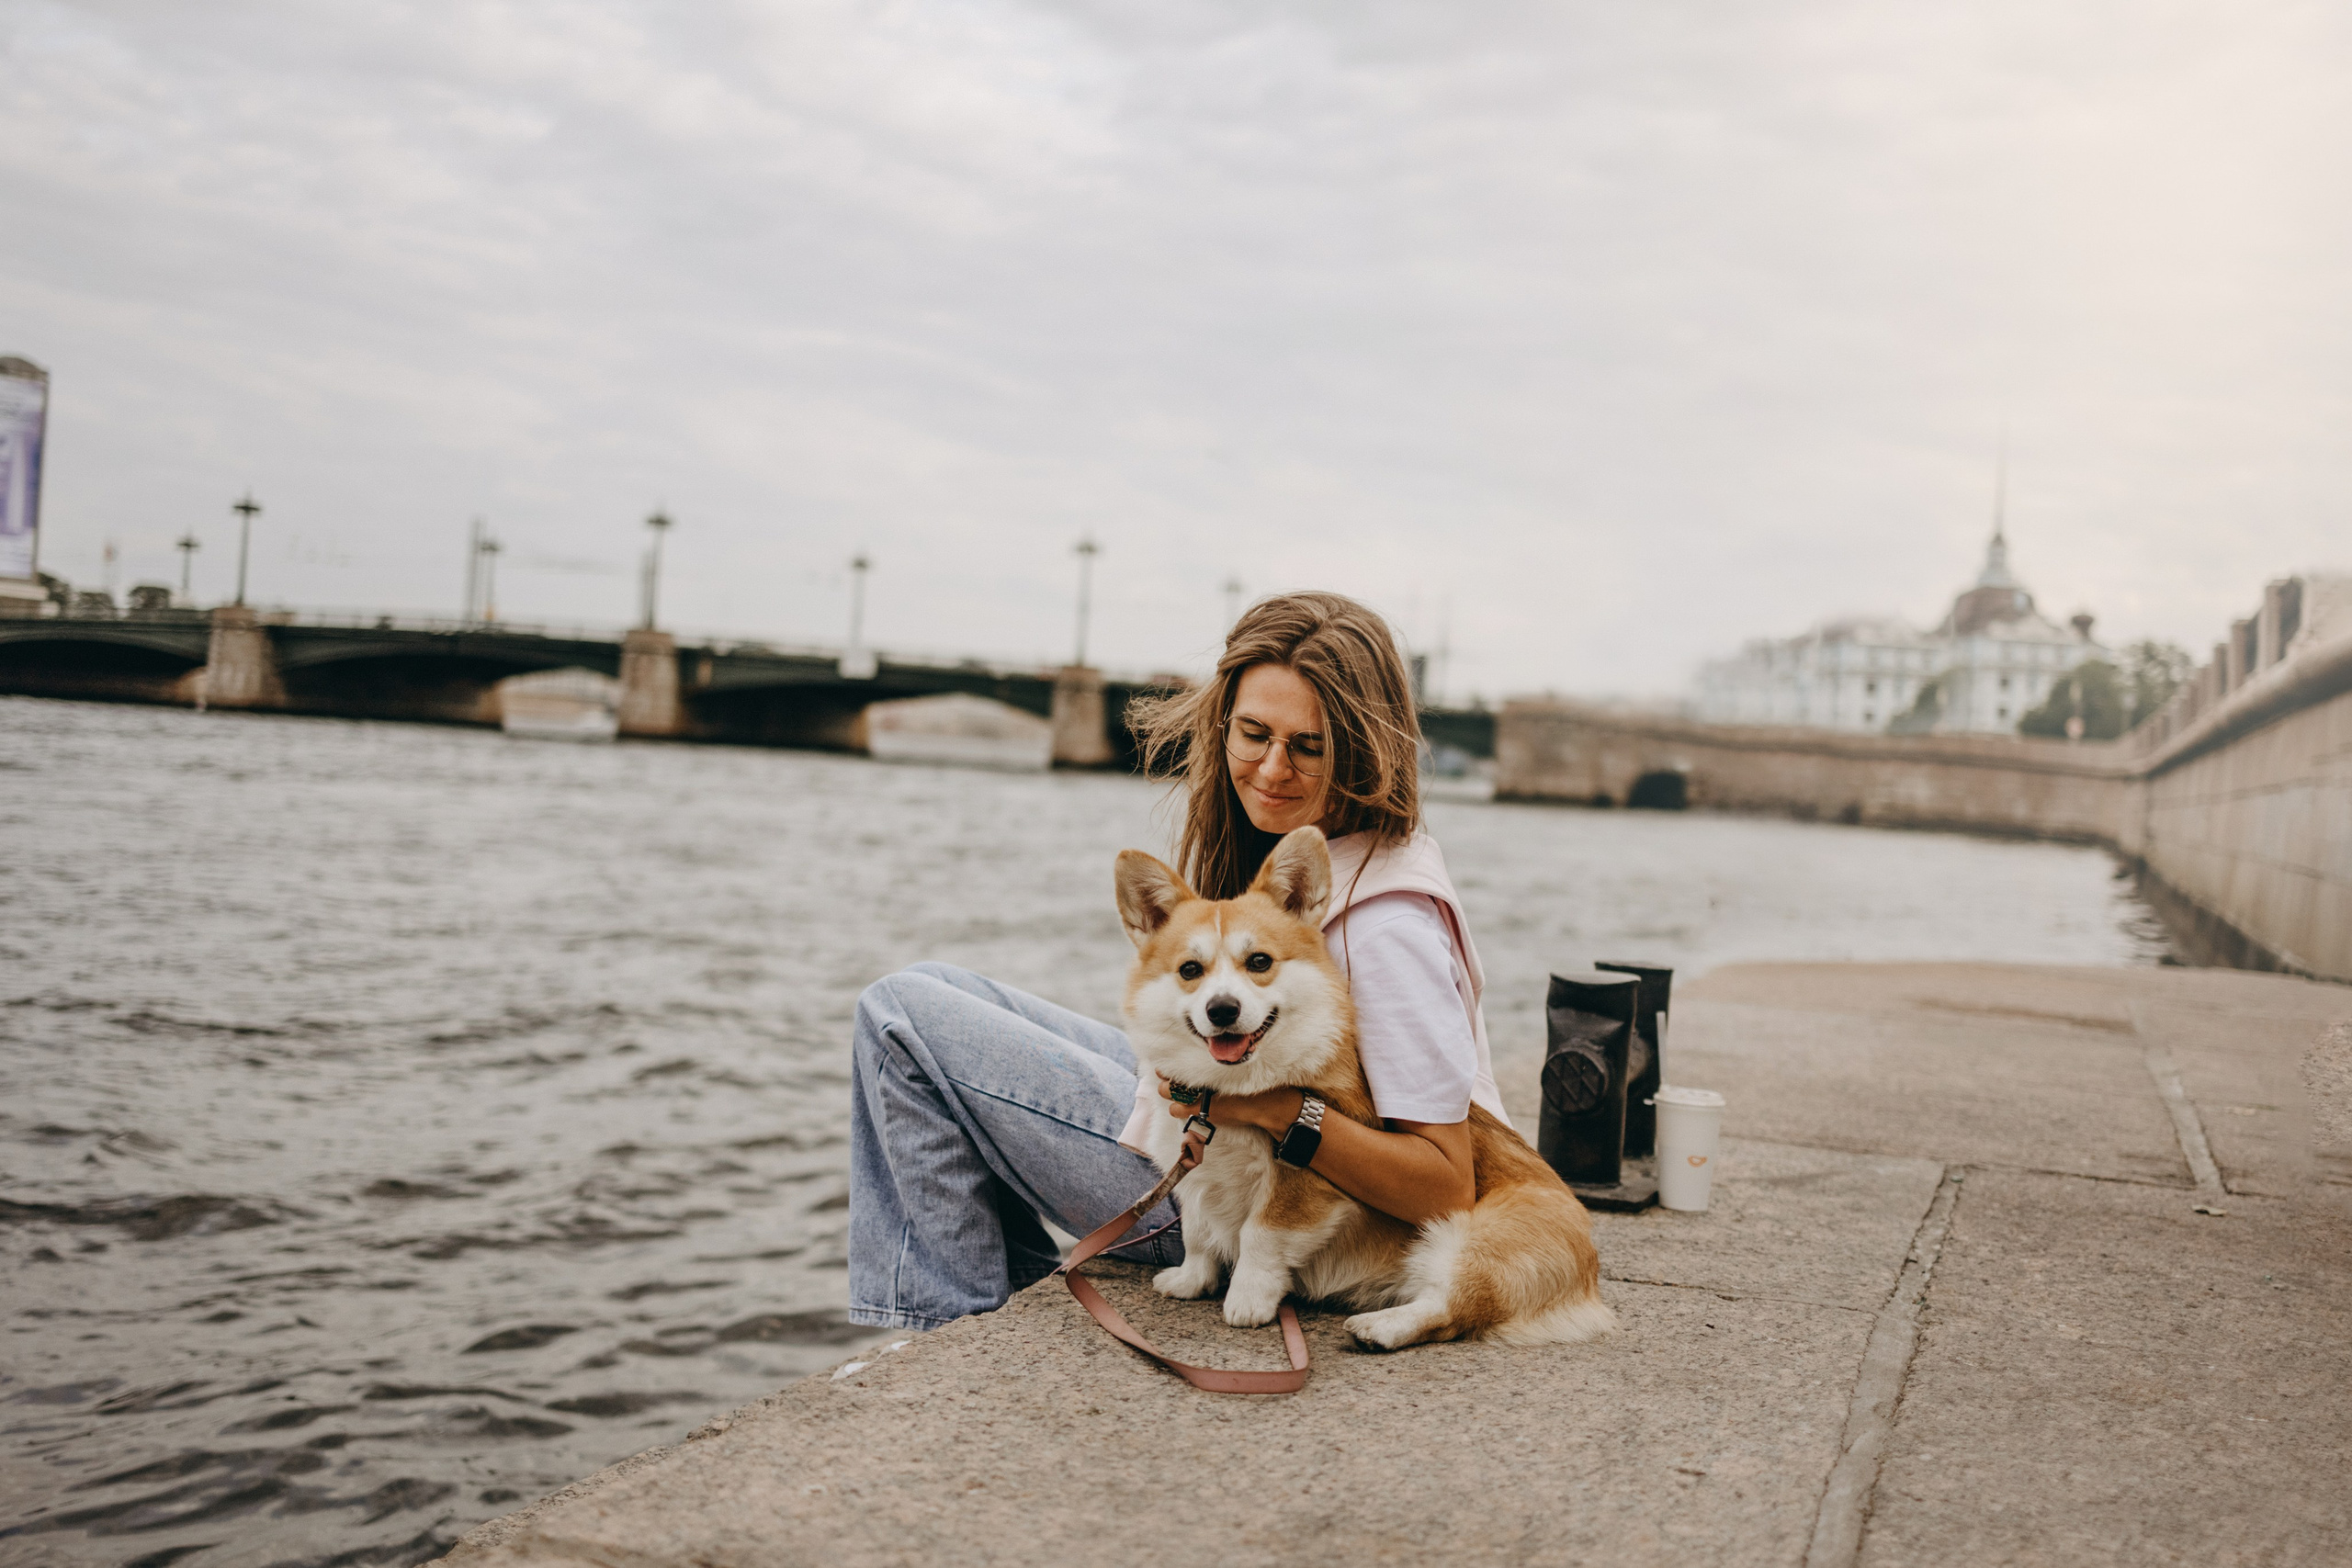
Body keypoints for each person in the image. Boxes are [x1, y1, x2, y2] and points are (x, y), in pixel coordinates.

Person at [846, 591, 1508, 1331]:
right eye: (1253, 733)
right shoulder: (1329, 858)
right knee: (937, 986)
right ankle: (996, 1299)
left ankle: (945, 1321)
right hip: (1209, 1128)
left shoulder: (1387, 926)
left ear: (1362, 749)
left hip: (1217, 1193)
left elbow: (1446, 1186)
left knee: (898, 1014)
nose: (1272, 767)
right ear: (1222, 723)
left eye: (1309, 746)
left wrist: (1273, 1109)